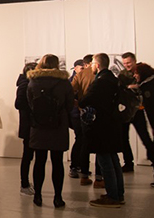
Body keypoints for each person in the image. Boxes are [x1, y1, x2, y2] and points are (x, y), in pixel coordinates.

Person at [26, 55, 74, 208]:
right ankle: (57, 197)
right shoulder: (64, 83)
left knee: (39, 162)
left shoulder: (33, 82)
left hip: (39, 126)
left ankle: (38, 196)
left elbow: (30, 104)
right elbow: (69, 105)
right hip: (58, 126)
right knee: (57, 162)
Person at [80, 53, 124, 208]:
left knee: (105, 161)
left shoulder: (101, 81)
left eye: (92, 63)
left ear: (97, 65)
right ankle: (118, 194)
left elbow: (86, 99)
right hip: (112, 125)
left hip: (102, 127)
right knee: (113, 160)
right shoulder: (113, 79)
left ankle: (112, 197)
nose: (91, 65)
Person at [119, 52, 154, 173]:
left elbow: (148, 87)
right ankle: (128, 163)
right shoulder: (122, 74)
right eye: (124, 63)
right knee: (123, 139)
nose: (127, 65)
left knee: (145, 137)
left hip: (138, 110)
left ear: (134, 61)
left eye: (128, 62)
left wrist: (134, 87)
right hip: (125, 111)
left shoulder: (143, 72)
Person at [71, 54, 102, 188]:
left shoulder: (81, 75)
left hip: (84, 113)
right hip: (100, 114)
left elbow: (71, 90)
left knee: (84, 143)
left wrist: (78, 104)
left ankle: (84, 175)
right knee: (100, 145)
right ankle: (99, 178)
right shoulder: (101, 75)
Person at [14, 62, 37, 195]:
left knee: (29, 155)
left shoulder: (27, 84)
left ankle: (26, 183)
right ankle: (24, 183)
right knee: (27, 156)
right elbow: (18, 104)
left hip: (30, 124)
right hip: (28, 125)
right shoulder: (24, 85)